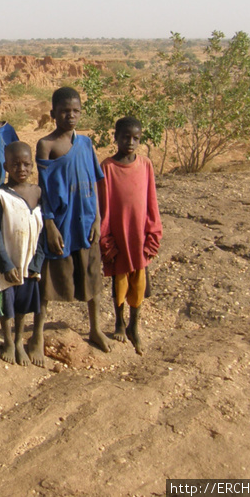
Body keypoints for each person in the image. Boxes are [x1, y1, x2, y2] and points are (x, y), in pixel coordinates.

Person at [34, 87, 111, 360]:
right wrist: (50, 225)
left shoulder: (86, 143)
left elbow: (95, 182)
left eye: (75, 110)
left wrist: (98, 218)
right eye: (64, 110)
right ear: (53, 113)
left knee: (92, 277)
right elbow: (43, 190)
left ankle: (96, 328)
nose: (70, 115)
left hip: (86, 221)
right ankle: (37, 335)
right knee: (48, 283)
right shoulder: (46, 145)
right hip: (61, 224)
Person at [99, 116, 162, 355]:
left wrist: (153, 235)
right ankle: (119, 323)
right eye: (126, 137)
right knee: (120, 280)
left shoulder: (145, 165)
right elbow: (104, 207)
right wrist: (106, 240)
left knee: (140, 281)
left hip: (139, 235)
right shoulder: (107, 167)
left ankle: (135, 324)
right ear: (115, 137)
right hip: (118, 234)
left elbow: (151, 202)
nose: (131, 142)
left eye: (136, 138)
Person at [0, 141, 45, 366]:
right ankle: (9, 341)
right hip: (8, 262)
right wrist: (5, 262)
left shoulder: (38, 192)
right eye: (16, 164)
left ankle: (20, 339)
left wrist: (37, 262)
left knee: (23, 304)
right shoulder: (0, 194)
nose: (21, 169)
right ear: (6, 166)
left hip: (29, 260)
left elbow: (42, 230)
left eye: (26, 164)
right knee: (7, 303)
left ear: (32, 166)